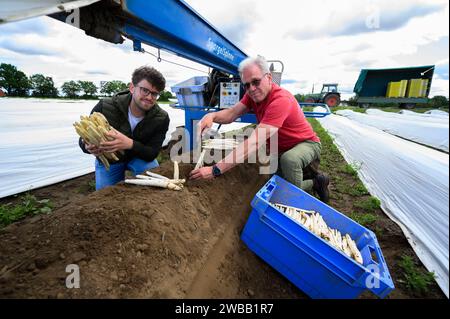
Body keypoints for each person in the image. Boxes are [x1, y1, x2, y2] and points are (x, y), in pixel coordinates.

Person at [189, 56, 330, 202]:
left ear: (269, 77)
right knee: (276, 186)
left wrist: (215, 170)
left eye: (256, 82)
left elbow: (254, 142)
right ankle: (316, 182)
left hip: (306, 144)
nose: (252, 89)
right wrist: (211, 116)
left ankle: (296, 202)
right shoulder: (252, 96)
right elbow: (231, 113)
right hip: (280, 149)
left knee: (290, 162)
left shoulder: (280, 100)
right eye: (247, 85)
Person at [79, 66, 170, 190]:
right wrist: (87, 146)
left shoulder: (161, 118)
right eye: (145, 90)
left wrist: (129, 144)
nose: (149, 97)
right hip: (110, 161)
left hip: (139, 158)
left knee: (154, 186)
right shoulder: (105, 107)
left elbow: (152, 153)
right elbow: (83, 137)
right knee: (104, 196)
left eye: (154, 94)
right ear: (132, 88)